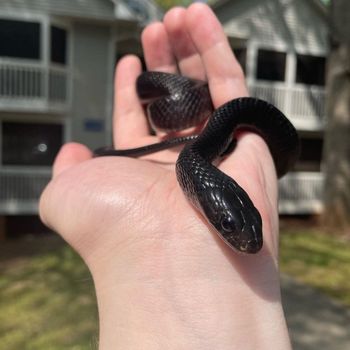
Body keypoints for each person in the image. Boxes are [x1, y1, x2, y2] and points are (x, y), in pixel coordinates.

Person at [40, 3, 292, 349]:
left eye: (235, 226)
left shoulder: (198, 157)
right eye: (228, 226)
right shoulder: (196, 158)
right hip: (198, 130)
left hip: (207, 135)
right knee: (158, 93)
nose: (249, 242)